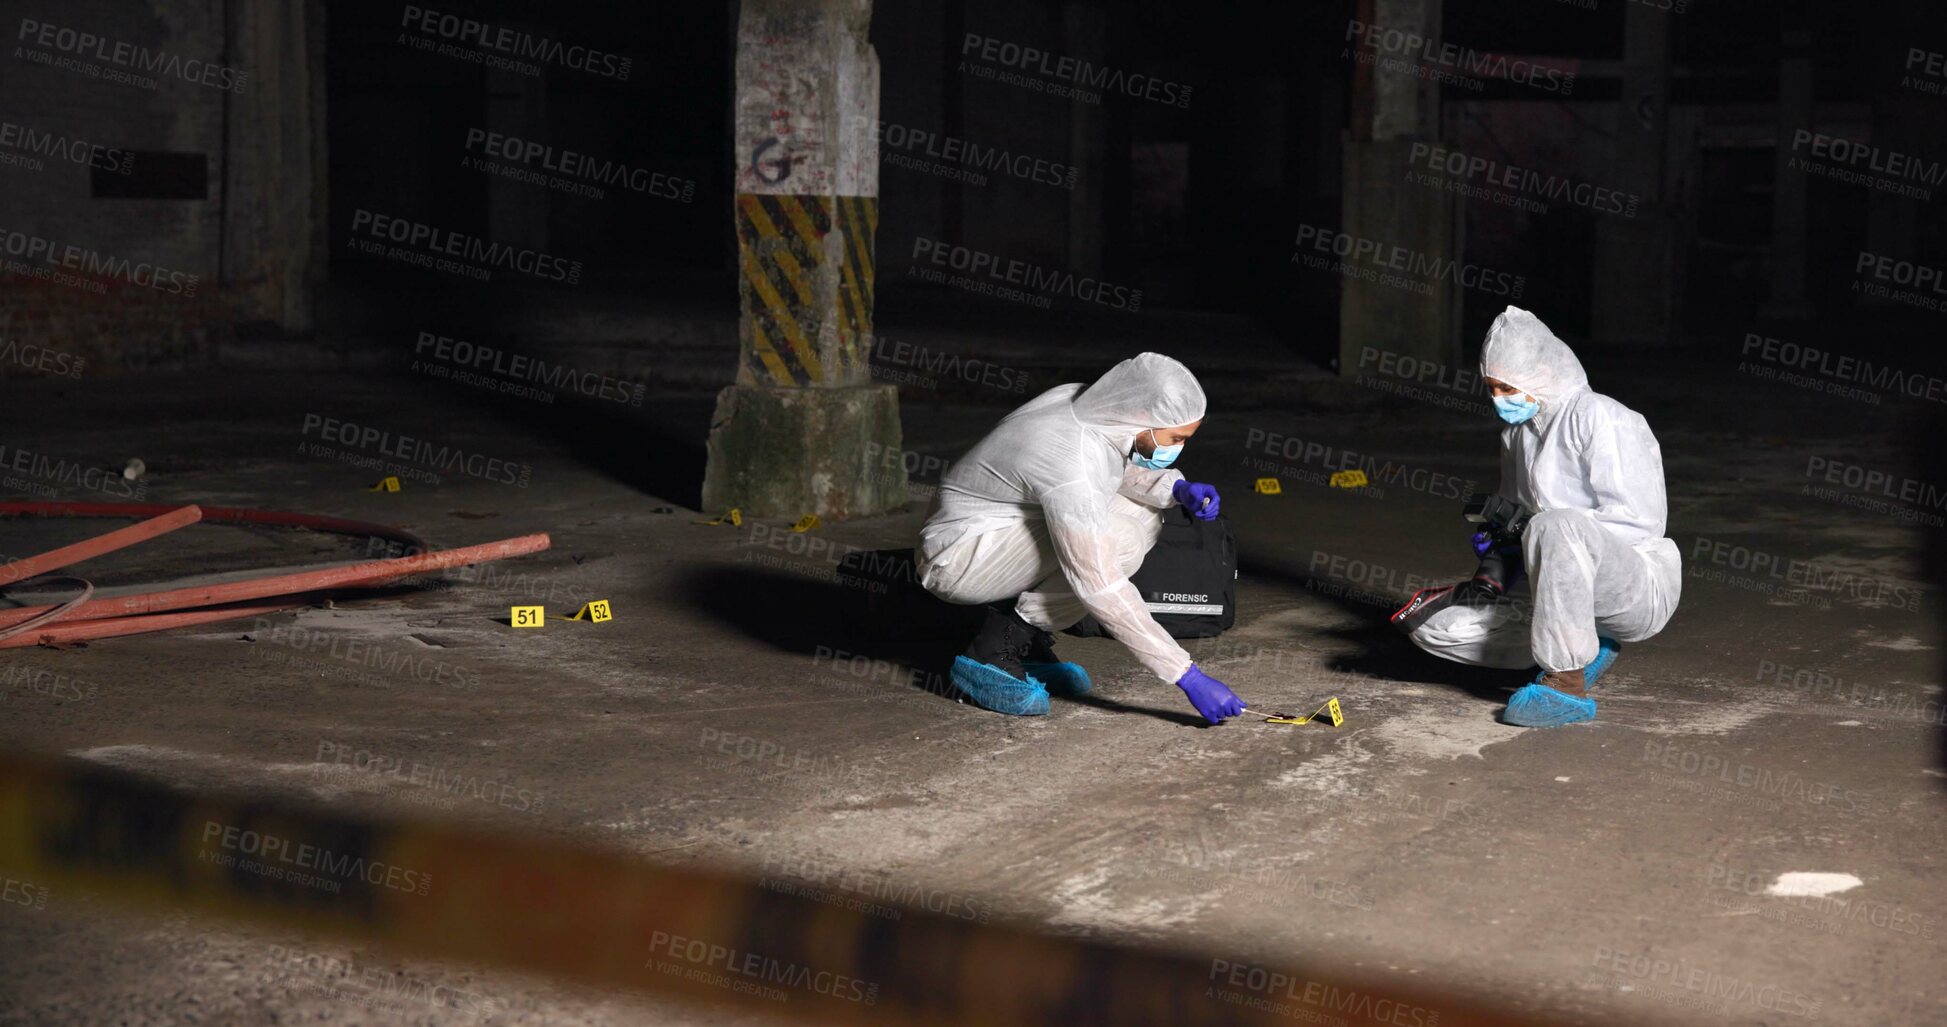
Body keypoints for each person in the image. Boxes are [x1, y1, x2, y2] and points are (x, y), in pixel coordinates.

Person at [915, 352, 1248, 723]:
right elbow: (1099, 582)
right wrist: (1187, 675)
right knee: (1117, 543)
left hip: (993, 525)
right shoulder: (1070, 461)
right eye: (1176, 438)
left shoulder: (1080, 402)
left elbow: (1106, 468)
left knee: (1145, 515)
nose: (1179, 447)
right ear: (1143, 417)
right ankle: (991, 648)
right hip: (956, 556)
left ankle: (1026, 636)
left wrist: (1176, 488)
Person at [1394, 306, 1681, 727]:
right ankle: (1589, 647)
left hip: (1633, 583)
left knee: (1556, 525)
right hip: (1556, 585)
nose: (1498, 400)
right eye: (1490, 389)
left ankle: (1566, 683)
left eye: (1506, 387)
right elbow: (1519, 515)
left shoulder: (1603, 417)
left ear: (1540, 373)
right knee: (1435, 627)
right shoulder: (1516, 434)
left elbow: (1641, 521)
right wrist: (1502, 546)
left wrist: (1533, 529)